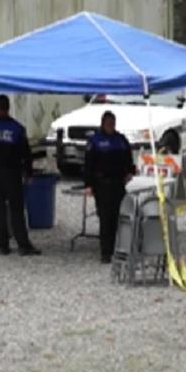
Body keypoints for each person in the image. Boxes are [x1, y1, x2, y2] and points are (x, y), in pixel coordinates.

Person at [0, 94, 40, 256]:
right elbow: (26, 153)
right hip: (12, 175)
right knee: (16, 210)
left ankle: (3, 246)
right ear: (8, 107)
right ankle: (23, 245)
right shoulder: (17, 129)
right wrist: (28, 172)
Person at [83, 111, 135, 263]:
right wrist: (88, 184)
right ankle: (105, 252)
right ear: (103, 123)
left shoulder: (120, 140)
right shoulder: (95, 141)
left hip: (118, 183)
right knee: (105, 218)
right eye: (108, 123)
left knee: (118, 217)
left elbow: (128, 158)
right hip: (102, 184)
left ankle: (118, 248)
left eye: (113, 123)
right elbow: (88, 164)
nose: (111, 126)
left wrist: (129, 172)